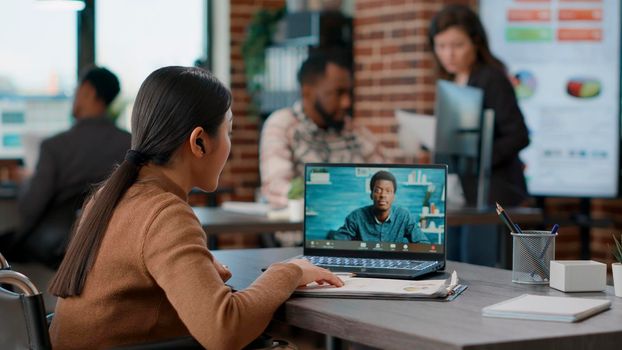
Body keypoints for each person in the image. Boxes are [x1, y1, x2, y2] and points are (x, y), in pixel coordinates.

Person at [47, 66, 343, 350]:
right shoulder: (165, 214)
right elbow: (224, 331)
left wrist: (197, 272)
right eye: (228, 130)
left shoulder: (108, 197)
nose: (230, 144)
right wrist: (288, 271)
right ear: (199, 142)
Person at [8, 66, 131, 268]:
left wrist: (26, 181)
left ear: (88, 91)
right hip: (109, 243)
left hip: (57, 244)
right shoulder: (130, 145)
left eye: (77, 90)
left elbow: (30, 208)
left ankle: (19, 299)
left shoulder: (55, 146)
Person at [428, 4, 530, 207]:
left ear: (475, 43)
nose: (449, 54)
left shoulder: (491, 79)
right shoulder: (449, 82)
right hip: (461, 192)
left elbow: (518, 135)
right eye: (441, 46)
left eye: (457, 45)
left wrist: (479, 159)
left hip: (494, 195)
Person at [260, 52, 384, 209]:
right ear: (307, 93)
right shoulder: (283, 125)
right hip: (303, 230)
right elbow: (277, 188)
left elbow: (388, 178)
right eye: (338, 93)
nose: (346, 102)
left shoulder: (356, 131)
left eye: (348, 93)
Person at [332, 171, 430, 244]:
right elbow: (336, 243)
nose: (383, 195)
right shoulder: (356, 216)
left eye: (388, 191)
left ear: (393, 197)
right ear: (371, 194)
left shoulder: (404, 216)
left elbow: (424, 244)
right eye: (378, 190)